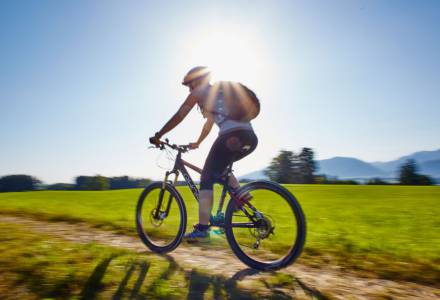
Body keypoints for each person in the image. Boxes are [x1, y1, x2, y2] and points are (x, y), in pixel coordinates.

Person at [150, 66, 258, 241]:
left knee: (207, 176)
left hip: (231, 137)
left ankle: (202, 228)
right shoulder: (218, 94)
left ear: (197, 80)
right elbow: (208, 124)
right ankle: (240, 197)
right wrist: (198, 143)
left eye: (190, 85)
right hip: (250, 138)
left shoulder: (200, 92)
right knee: (221, 170)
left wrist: (159, 135)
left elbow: (179, 116)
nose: (190, 89)